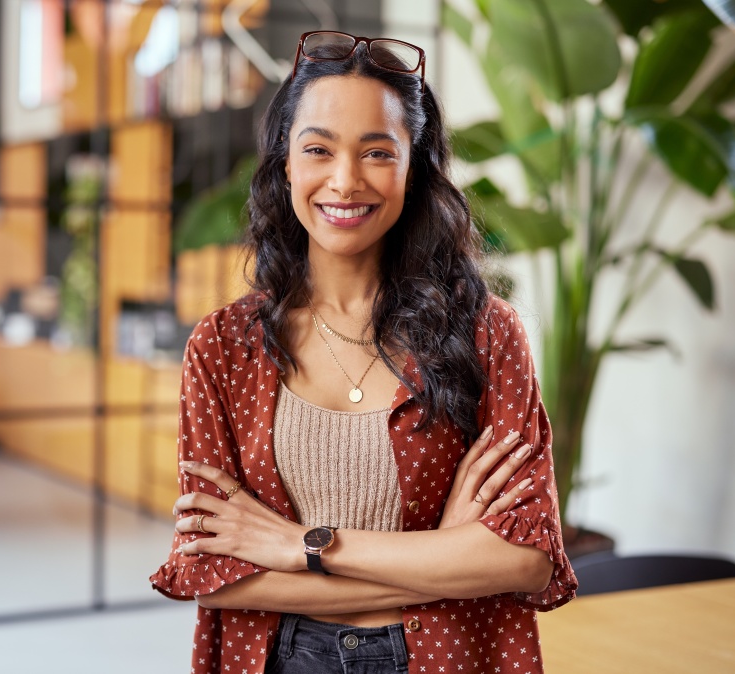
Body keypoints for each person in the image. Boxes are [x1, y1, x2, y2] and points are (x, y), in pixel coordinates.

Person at [150, 30, 577, 674]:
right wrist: (444, 556)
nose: (345, 181)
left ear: (414, 166)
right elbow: (212, 572)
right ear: (286, 164)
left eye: (377, 152)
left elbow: (525, 559)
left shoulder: (487, 334)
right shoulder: (223, 348)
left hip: (445, 656)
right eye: (318, 149)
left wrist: (303, 546)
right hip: (278, 657)